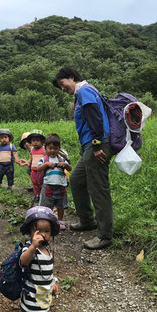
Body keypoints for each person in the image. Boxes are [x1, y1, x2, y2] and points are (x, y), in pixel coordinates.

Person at [52, 66, 113, 250]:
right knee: (77, 180)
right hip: (89, 147)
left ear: (72, 77)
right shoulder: (83, 93)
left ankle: (104, 236)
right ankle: (87, 220)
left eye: (63, 84)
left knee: (98, 189)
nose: (63, 89)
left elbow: (95, 117)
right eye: (60, 87)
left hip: (97, 145)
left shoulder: (85, 91)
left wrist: (96, 144)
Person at [19, 206, 60, 312]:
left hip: (40, 301)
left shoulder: (47, 249)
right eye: (38, 231)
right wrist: (32, 248)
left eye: (47, 231)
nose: (43, 235)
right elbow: (23, 261)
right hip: (35, 306)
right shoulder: (30, 249)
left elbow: (48, 272)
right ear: (30, 232)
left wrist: (54, 282)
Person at [36, 134, 72, 231]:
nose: (52, 151)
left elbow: (70, 168)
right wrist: (46, 165)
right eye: (50, 148)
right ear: (46, 148)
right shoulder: (44, 159)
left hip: (61, 187)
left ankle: (60, 220)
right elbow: (38, 169)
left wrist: (65, 164)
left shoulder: (61, 159)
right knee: (47, 205)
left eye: (55, 148)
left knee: (61, 205)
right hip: (48, 186)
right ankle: (47, 220)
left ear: (58, 149)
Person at [26, 130, 46, 204]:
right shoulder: (32, 149)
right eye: (33, 140)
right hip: (33, 171)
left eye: (37, 140)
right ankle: (36, 195)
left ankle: (42, 196)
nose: (35, 142)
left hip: (42, 171)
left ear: (42, 141)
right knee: (35, 184)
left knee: (42, 184)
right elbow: (31, 158)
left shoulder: (44, 149)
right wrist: (29, 163)